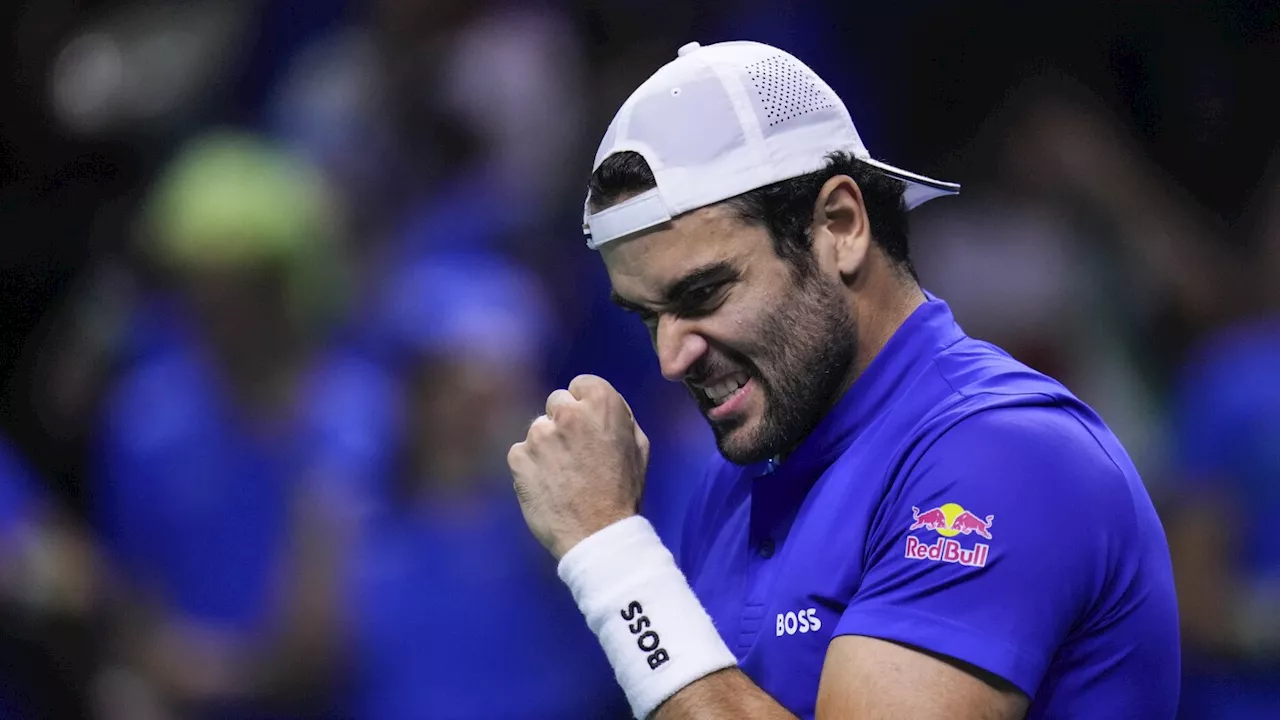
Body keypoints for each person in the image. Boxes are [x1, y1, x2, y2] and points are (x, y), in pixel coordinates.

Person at [507, 40, 1180, 719]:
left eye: (704, 294)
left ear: (841, 225)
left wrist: (610, 551)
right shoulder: (734, 483)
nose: (671, 358)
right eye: (648, 317)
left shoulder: (1006, 456)